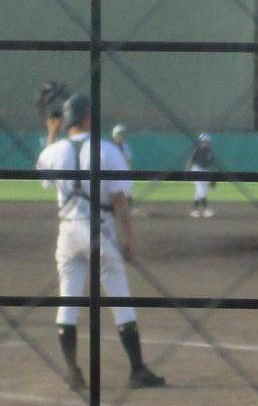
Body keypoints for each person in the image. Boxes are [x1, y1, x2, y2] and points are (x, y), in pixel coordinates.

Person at [37, 94, 166, 390]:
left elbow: (44, 174)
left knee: (68, 301)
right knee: (119, 297)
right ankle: (137, 370)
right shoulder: (107, 150)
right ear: (87, 118)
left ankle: (73, 372)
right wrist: (129, 239)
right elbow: (120, 200)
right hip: (100, 230)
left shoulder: (54, 151)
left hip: (68, 232)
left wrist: (51, 132)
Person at [187, 133, 216, 219]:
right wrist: (189, 171)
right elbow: (190, 161)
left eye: (207, 141)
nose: (205, 143)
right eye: (204, 141)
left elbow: (211, 165)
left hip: (205, 171)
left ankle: (194, 210)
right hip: (196, 169)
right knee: (201, 190)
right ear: (200, 142)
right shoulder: (197, 150)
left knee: (201, 192)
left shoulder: (210, 152)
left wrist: (213, 178)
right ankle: (207, 209)